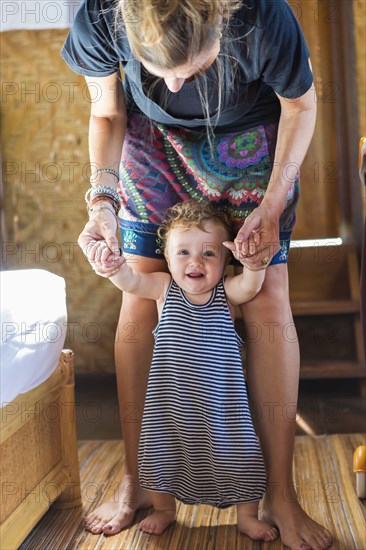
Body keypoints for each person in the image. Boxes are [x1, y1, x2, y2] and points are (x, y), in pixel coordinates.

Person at [61, 1, 333, 548]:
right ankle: (139, 479)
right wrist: (103, 201)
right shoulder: (98, 17)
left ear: (220, 22)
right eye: (160, 71)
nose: (178, 81)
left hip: (255, 143)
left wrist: (273, 206)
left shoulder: (264, 18)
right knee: (140, 290)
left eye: (195, 66)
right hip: (150, 144)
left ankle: (279, 491)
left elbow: (300, 107)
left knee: (266, 293)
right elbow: (109, 112)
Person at [90, 200, 278, 541]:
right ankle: (164, 508)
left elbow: (251, 285)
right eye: (183, 253)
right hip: (171, 406)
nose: (195, 261)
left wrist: (254, 264)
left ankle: (247, 514)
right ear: (167, 257)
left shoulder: (226, 292)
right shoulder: (164, 288)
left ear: (224, 261)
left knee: (240, 457)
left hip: (223, 408)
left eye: (209, 254)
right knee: (160, 457)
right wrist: (114, 267)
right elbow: (131, 282)